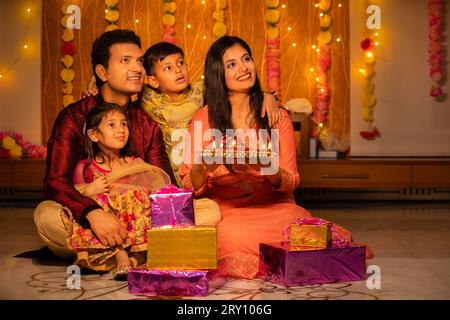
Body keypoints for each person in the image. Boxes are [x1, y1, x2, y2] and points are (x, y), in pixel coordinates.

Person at [179, 36, 355, 279]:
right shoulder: (203, 118)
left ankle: (280, 257)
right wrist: (202, 167)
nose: (243, 68)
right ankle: (272, 259)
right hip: (228, 211)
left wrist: (266, 166)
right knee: (228, 234)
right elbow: (188, 184)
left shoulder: (276, 115)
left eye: (246, 59)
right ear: (218, 75)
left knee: (300, 228)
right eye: (231, 65)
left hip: (275, 208)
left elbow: (292, 180)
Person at [33, 29, 176, 260]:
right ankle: (136, 251)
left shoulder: (147, 124)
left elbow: (166, 182)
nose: (138, 69)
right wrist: (92, 212)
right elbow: (56, 182)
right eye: (125, 61)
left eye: (139, 61)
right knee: (46, 216)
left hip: (137, 213)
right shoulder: (73, 117)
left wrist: (156, 206)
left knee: (208, 210)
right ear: (102, 72)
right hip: (92, 209)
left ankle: (101, 253)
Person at [140, 42, 282, 186]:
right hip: (170, 175)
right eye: (168, 68)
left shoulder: (201, 93)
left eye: (181, 63)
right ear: (153, 80)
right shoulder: (147, 103)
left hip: (203, 172)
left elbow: (237, 92)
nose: (178, 70)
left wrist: (267, 96)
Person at [69, 103, 171, 280]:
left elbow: (154, 189)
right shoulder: (84, 168)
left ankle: (128, 255)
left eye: (124, 124)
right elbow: (74, 199)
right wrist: (89, 189)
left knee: (134, 196)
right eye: (111, 125)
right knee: (91, 202)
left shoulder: (134, 164)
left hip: (132, 221)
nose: (121, 129)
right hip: (103, 226)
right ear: (93, 135)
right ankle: (100, 255)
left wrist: (151, 201)